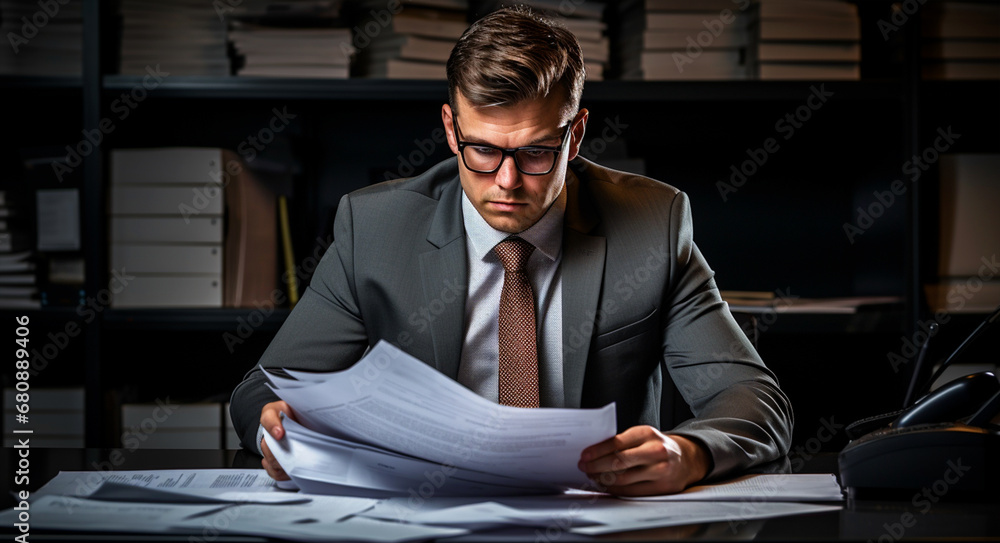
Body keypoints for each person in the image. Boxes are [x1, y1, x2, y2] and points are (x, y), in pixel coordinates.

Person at [230, 5, 793, 497]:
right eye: (481, 150)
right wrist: (274, 426)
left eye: (536, 153)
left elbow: (753, 398)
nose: (506, 181)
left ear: (575, 136)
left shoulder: (652, 225)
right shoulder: (374, 228)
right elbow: (265, 385)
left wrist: (687, 454)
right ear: (451, 129)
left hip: (597, 526)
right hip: (422, 523)